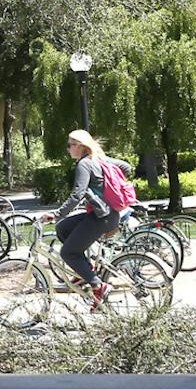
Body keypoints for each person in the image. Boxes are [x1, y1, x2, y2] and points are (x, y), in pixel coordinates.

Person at [55, 130, 127, 307]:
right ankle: (86, 270)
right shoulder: (99, 159)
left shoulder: (85, 164)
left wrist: (56, 214)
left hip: (102, 217)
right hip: (106, 215)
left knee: (67, 253)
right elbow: (126, 167)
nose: (68, 149)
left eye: (70, 145)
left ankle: (98, 285)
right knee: (63, 228)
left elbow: (76, 195)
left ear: (80, 146)